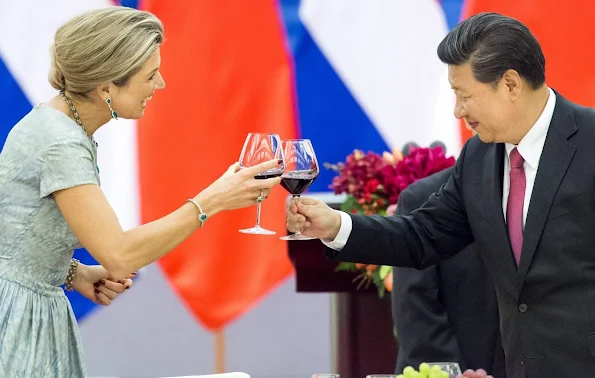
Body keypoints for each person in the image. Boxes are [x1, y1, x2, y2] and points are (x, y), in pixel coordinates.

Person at [287, 12, 595, 378]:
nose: (457, 110)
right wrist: (335, 225)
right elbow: (421, 236)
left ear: (510, 84)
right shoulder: (480, 156)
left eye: (465, 96)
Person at [0, 7, 280, 378]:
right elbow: (119, 255)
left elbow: (13, 233)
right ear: (106, 89)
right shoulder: (60, 143)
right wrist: (213, 200)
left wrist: (72, 273)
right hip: (17, 321)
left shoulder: (55, 124)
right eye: (150, 76)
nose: (161, 84)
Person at [392, 167, 506, 377]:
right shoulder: (422, 197)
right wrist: (453, 373)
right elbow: (415, 310)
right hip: (446, 369)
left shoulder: (545, 195)